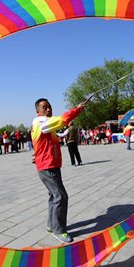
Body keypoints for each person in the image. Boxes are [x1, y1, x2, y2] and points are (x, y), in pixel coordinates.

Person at [32, 97, 89, 243]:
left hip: (49, 164)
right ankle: (59, 230)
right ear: (37, 110)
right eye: (44, 107)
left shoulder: (46, 125)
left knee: (53, 196)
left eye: (49, 106)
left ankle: (51, 225)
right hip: (48, 166)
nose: (48, 109)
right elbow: (63, 119)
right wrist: (77, 109)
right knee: (61, 196)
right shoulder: (40, 121)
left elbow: (43, 144)